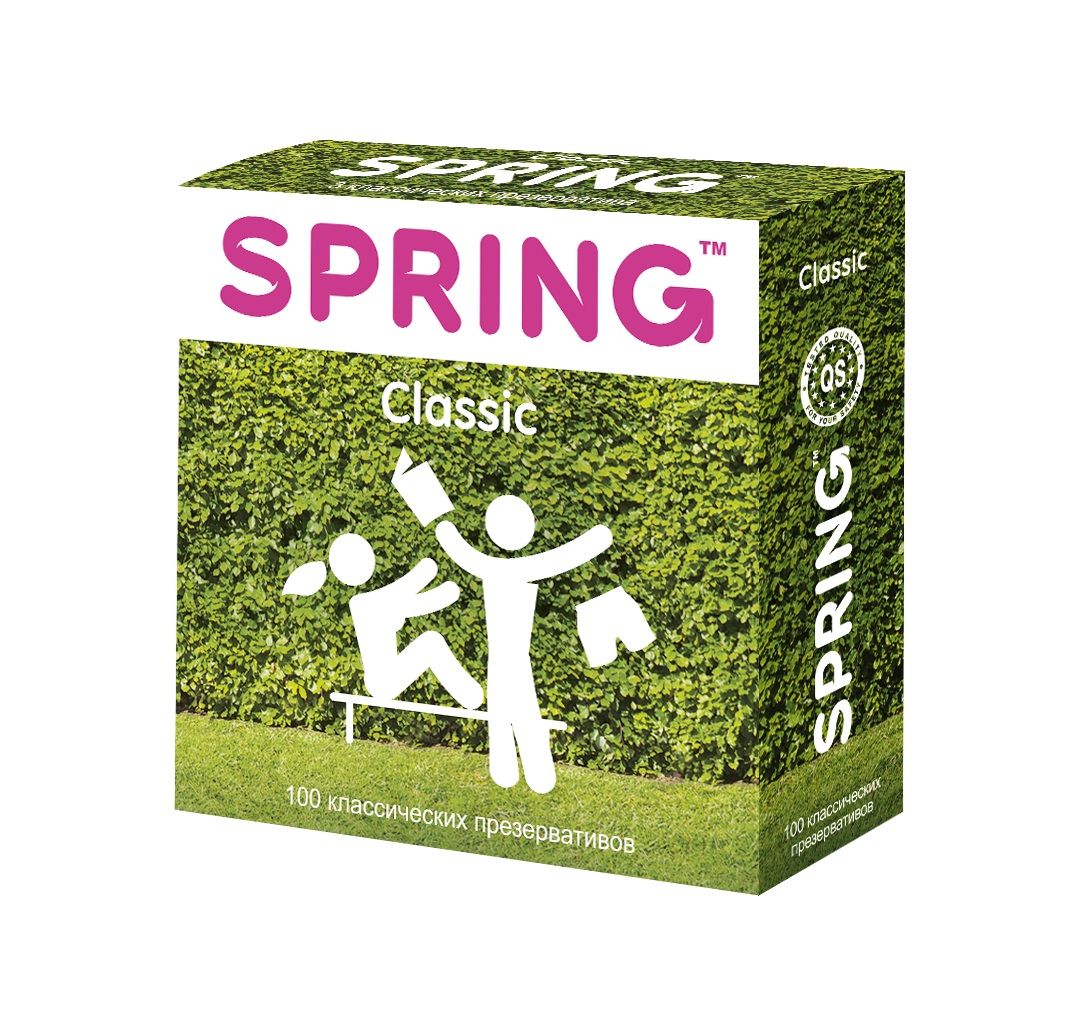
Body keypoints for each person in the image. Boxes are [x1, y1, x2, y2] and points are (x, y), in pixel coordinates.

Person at [435, 496, 612, 793]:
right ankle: (526, 772)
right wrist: (597, 538)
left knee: (510, 711)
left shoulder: (491, 567)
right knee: (518, 710)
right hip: (511, 659)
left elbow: (461, 549)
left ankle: (521, 772)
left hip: (507, 659)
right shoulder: (511, 567)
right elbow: (565, 556)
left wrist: (445, 526)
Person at [328, 533, 483, 710]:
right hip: (384, 682)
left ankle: (470, 697)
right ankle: (470, 697)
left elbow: (401, 599)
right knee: (431, 641)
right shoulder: (365, 604)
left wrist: (434, 580)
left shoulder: (363, 603)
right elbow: (412, 603)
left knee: (431, 641)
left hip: (385, 678)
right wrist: (445, 591)